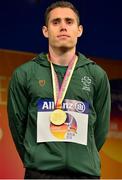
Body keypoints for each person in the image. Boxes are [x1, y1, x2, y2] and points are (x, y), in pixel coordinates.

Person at [7, 1, 111, 179]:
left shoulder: (96, 75)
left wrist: (82, 158)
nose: (63, 27)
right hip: (39, 173)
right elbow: (18, 126)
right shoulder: (24, 74)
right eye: (56, 22)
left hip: (84, 174)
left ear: (79, 30)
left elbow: (100, 129)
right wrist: (36, 158)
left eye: (69, 22)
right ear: (45, 31)